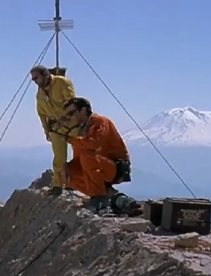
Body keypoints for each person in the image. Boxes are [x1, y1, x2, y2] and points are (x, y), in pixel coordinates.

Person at [52, 97, 143, 216]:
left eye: (71, 113)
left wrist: (69, 139)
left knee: (87, 153)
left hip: (115, 166)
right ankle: (118, 199)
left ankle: (100, 201)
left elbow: (93, 144)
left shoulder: (100, 122)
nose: (70, 117)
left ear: (83, 110)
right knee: (67, 172)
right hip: (95, 165)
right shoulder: (81, 129)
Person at [31, 64, 76, 196]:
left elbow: (72, 103)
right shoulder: (39, 94)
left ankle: (74, 182)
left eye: (36, 78)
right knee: (59, 158)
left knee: (79, 152)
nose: (35, 82)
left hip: (71, 124)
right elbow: (41, 113)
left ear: (45, 75)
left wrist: (65, 119)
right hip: (55, 128)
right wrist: (46, 130)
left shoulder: (62, 83)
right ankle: (57, 185)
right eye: (33, 79)